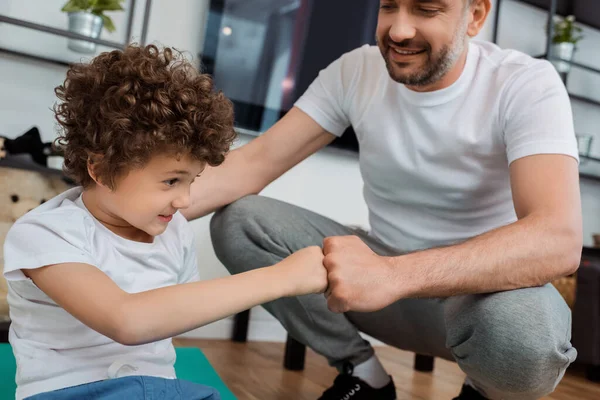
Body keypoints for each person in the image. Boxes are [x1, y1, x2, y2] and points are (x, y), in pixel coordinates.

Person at [182, 0, 583, 399]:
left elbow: (557, 238)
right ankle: (365, 376)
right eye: (389, 6)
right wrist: (131, 212)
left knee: (527, 332)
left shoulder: (524, 83)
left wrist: (394, 275)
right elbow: (251, 164)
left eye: (426, 10)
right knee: (241, 221)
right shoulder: (355, 70)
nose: (398, 30)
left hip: (477, 304)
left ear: (475, 16)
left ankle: (480, 392)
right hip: (383, 294)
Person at [2, 44, 327, 400]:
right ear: (100, 168)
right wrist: (282, 276)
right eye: (171, 181)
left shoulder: (175, 234)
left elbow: (171, 318)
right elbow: (126, 320)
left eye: (192, 180)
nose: (185, 200)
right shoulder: (44, 233)